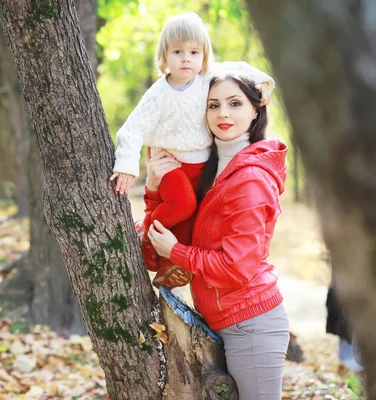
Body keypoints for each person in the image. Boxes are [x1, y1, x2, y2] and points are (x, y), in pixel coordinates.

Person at [147, 72, 290, 399]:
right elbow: (164, 230)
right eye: (214, 105)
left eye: (235, 103)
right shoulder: (213, 171)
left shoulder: (250, 179)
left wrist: (178, 252)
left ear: (256, 109)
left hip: (251, 323)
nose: (223, 113)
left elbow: (236, 268)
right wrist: (155, 189)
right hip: (223, 322)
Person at [109, 12, 274, 272]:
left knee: (192, 221)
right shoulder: (159, 93)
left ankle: (168, 265)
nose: (186, 58)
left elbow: (240, 69)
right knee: (183, 205)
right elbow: (131, 129)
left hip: (202, 164)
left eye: (194, 52)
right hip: (172, 163)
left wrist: (262, 85)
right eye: (178, 52)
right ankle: (149, 234)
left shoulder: (207, 78)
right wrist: (126, 166)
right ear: (164, 56)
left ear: (204, 56)